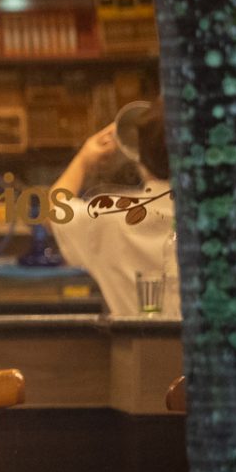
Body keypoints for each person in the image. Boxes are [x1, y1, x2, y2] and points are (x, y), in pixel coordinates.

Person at [50, 98, 180, 316]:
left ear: (139, 155)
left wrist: (83, 159)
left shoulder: (109, 217)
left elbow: (55, 210)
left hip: (137, 349)